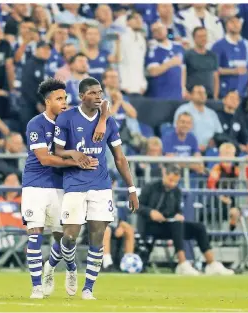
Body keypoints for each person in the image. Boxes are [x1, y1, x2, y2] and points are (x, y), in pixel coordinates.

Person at [53, 77, 139, 300]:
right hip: (74, 183)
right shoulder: (66, 118)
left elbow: (119, 158)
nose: (98, 96)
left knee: (98, 235)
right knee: (70, 236)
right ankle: (69, 267)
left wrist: (131, 188)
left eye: (100, 92)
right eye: (92, 93)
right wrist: (75, 154)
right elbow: (58, 151)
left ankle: (88, 288)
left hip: (100, 184)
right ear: (82, 96)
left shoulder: (108, 121)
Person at [21, 78, 106, 299]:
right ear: (48, 101)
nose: (64, 102)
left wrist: (103, 118)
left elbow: (100, 110)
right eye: (59, 99)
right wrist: (76, 162)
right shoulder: (36, 124)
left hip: (62, 186)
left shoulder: (69, 122)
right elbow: (44, 159)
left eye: (65, 98)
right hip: (35, 185)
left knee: (64, 238)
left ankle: (68, 268)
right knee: (35, 234)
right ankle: (37, 286)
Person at [138, 164, 235, 275]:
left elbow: (177, 210)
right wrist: (150, 212)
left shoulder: (177, 192)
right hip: (150, 226)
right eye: (170, 180)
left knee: (199, 227)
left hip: (170, 226)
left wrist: (179, 214)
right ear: (164, 174)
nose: (173, 184)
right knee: (177, 224)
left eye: (176, 182)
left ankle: (211, 263)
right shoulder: (150, 187)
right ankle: (182, 263)